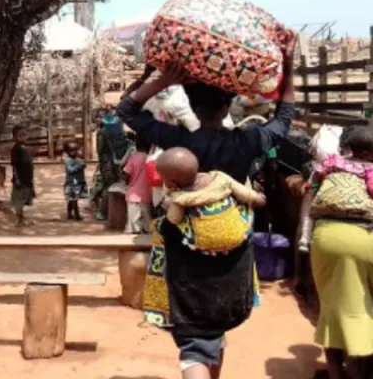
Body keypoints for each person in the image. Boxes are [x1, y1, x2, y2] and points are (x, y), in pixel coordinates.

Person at [116, 31, 296, 379]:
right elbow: (285, 114)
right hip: (234, 245)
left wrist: (161, 80)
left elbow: (127, 110)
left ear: (192, 107)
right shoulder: (249, 140)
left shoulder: (178, 141)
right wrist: (289, 61)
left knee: (195, 340)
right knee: (216, 330)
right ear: (228, 107)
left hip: (186, 251)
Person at [297, 126, 373, 379]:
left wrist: (304, 245)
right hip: (368, 238)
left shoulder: (328, 166)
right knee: (365, 310)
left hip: (328, 238)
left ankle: (335, 373)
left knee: (332, 308)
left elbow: (308, 198)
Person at [156, 147, 266, 254]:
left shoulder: (180, 198)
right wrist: (257, 198)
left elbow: (173, 220)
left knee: (164, 227)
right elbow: (245, 194)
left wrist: (168, 209)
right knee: (245, 205)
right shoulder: (220, 178)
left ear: (172, 183)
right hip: (237, 236)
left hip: (206, 245)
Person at [123, 137, 152, 234]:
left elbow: (126, 174)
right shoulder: (150, 158)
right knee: (147, 220)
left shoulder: (133, 158)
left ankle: (135, 233)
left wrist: (126, 181)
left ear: (136, 145)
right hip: (147, 193)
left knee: (133, 223)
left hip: (133, 193)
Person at [10, 125, 35, 227]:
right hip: (20, 179)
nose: (22, 137)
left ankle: (22, 217)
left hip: (27, 179)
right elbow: (14, 166)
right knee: (19, 200)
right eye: (20, 135)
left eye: (24, 135)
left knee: (25, 198)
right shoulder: (15, 149)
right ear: (14, 137)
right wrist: (16, 178)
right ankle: (19, 219)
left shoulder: (25, 149)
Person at [63, 141, 87, 221]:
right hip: (72, 183)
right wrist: (79, 165)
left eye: (75, 150)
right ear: (67, 152)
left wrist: (82, 164)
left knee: (72, 199)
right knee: (74, 200)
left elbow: (83, 166)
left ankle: (70, 213)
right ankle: (76, 215)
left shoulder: (78, 159)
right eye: (71, 150)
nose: (74, 152)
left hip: (78, 182)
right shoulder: (68, 160)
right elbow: (70, 170)